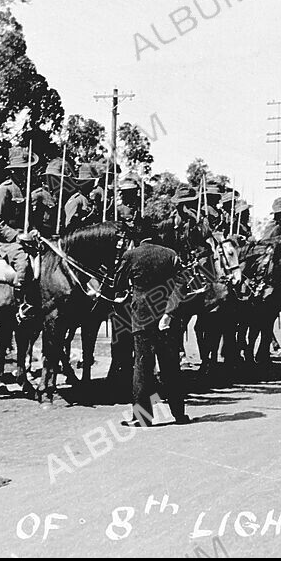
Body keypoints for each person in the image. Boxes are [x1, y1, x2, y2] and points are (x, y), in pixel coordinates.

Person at [112, 218, 191, 427]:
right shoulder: (170, 254)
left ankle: (143, 417)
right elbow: (182, 284)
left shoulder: (131, 255)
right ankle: (179, 414)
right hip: (168, 319)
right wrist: (169, 313)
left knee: (141, 367)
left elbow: (118, 283)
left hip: (141, 318)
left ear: (137, 237)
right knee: (171, 365)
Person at [0, 146, 39, 316]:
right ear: (14, 171)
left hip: (26, 239)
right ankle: (20, 304)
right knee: (23, 263)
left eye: (28, 171)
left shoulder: (27, 191)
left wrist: (33, 231)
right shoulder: (4, 190)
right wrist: (17, 236)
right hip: (8, 242)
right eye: (23, 171)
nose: (26, 174)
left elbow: (29, 220)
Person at [64, 163, 96, 234]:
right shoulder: (77, 200)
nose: (92, 186)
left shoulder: (86, 199)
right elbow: (71, 224)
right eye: (89, 183)